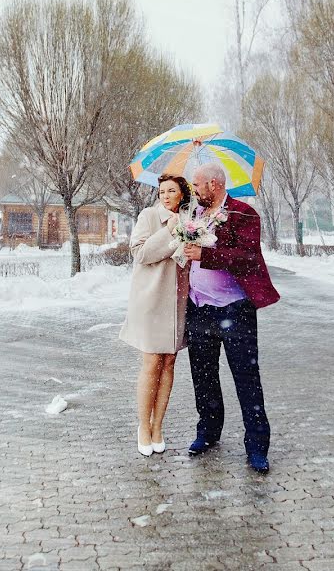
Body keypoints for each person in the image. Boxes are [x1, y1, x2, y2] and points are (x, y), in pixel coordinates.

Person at [182, 163, 280, 473]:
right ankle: (208, 433)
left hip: (234, 310)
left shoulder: (243, 213)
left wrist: (205, 255)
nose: (194, 190)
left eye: (197, 185)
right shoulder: (194, 214)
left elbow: (248, 258)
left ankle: (257, 447)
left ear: (213, 184)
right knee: (204, 376)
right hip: (199, 308)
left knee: (246, 379)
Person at [119, 175, 192, 457]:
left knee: (169, 362)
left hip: (177, 301)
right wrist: (170, 232)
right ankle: (143, 426)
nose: (165, 195)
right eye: (161, 191)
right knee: (152, 361)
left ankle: (159, 425)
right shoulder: (149, 216)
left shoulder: (190, 220)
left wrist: (190, 239)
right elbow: (140, 253)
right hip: (151, 300)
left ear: (182, 194)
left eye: (172, 191)